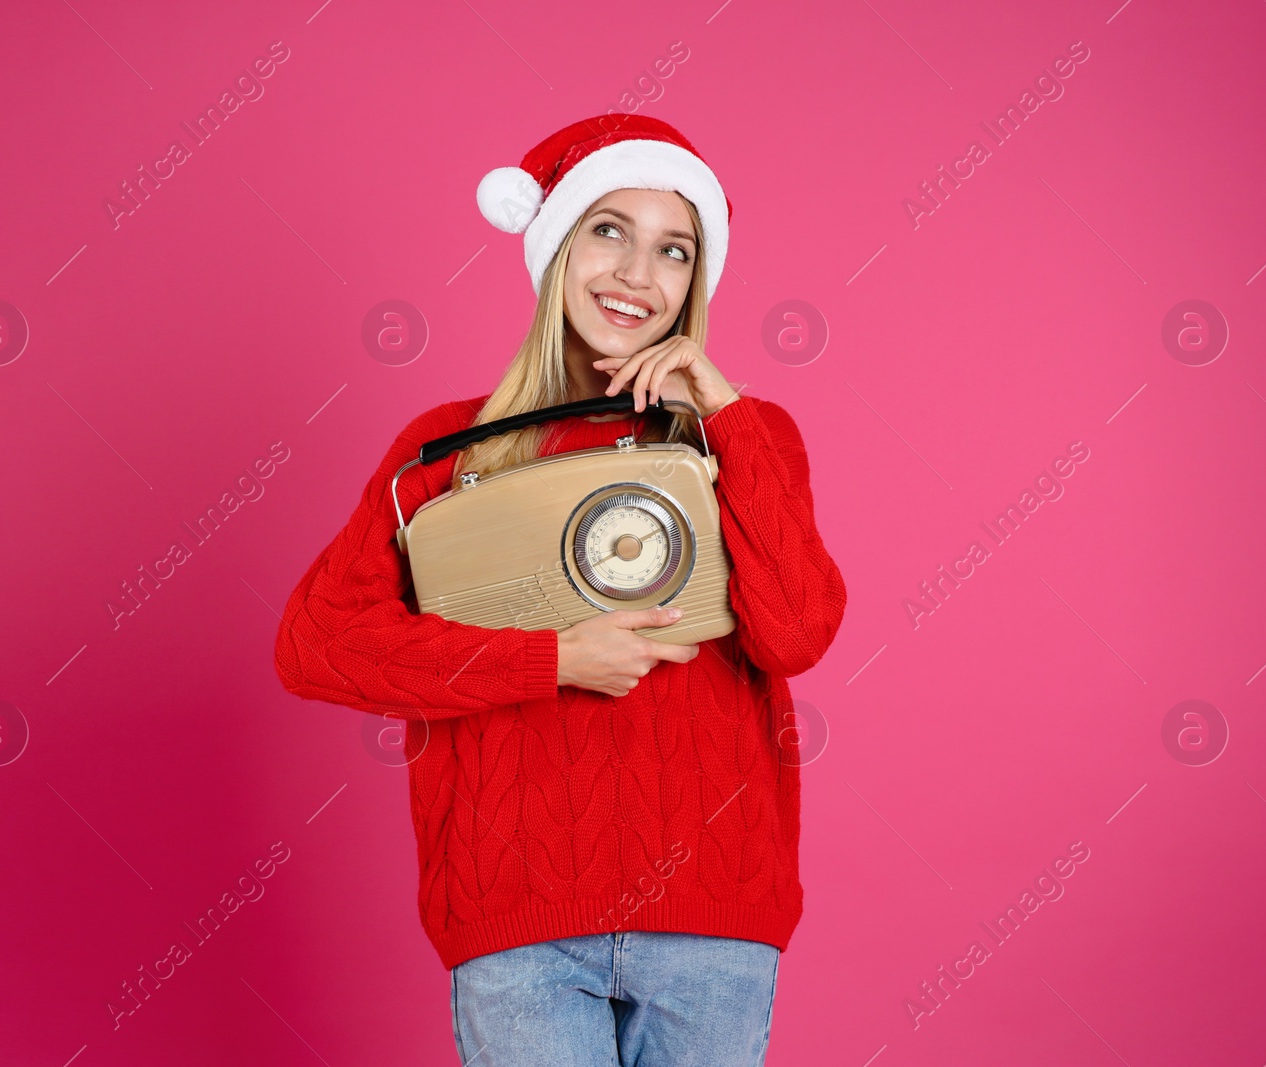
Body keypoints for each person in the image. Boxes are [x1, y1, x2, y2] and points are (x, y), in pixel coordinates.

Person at [273, 115, 847, 1067]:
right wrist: (553, 658)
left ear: (694, 283)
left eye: (674, 249)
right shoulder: (446, 453)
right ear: (557, 247)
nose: (637, 274)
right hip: (516, 919)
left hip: (713, 914)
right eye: (608, 230)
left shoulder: (746, 437)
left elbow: (795, 632)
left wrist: (727, 414)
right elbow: (316, 644)